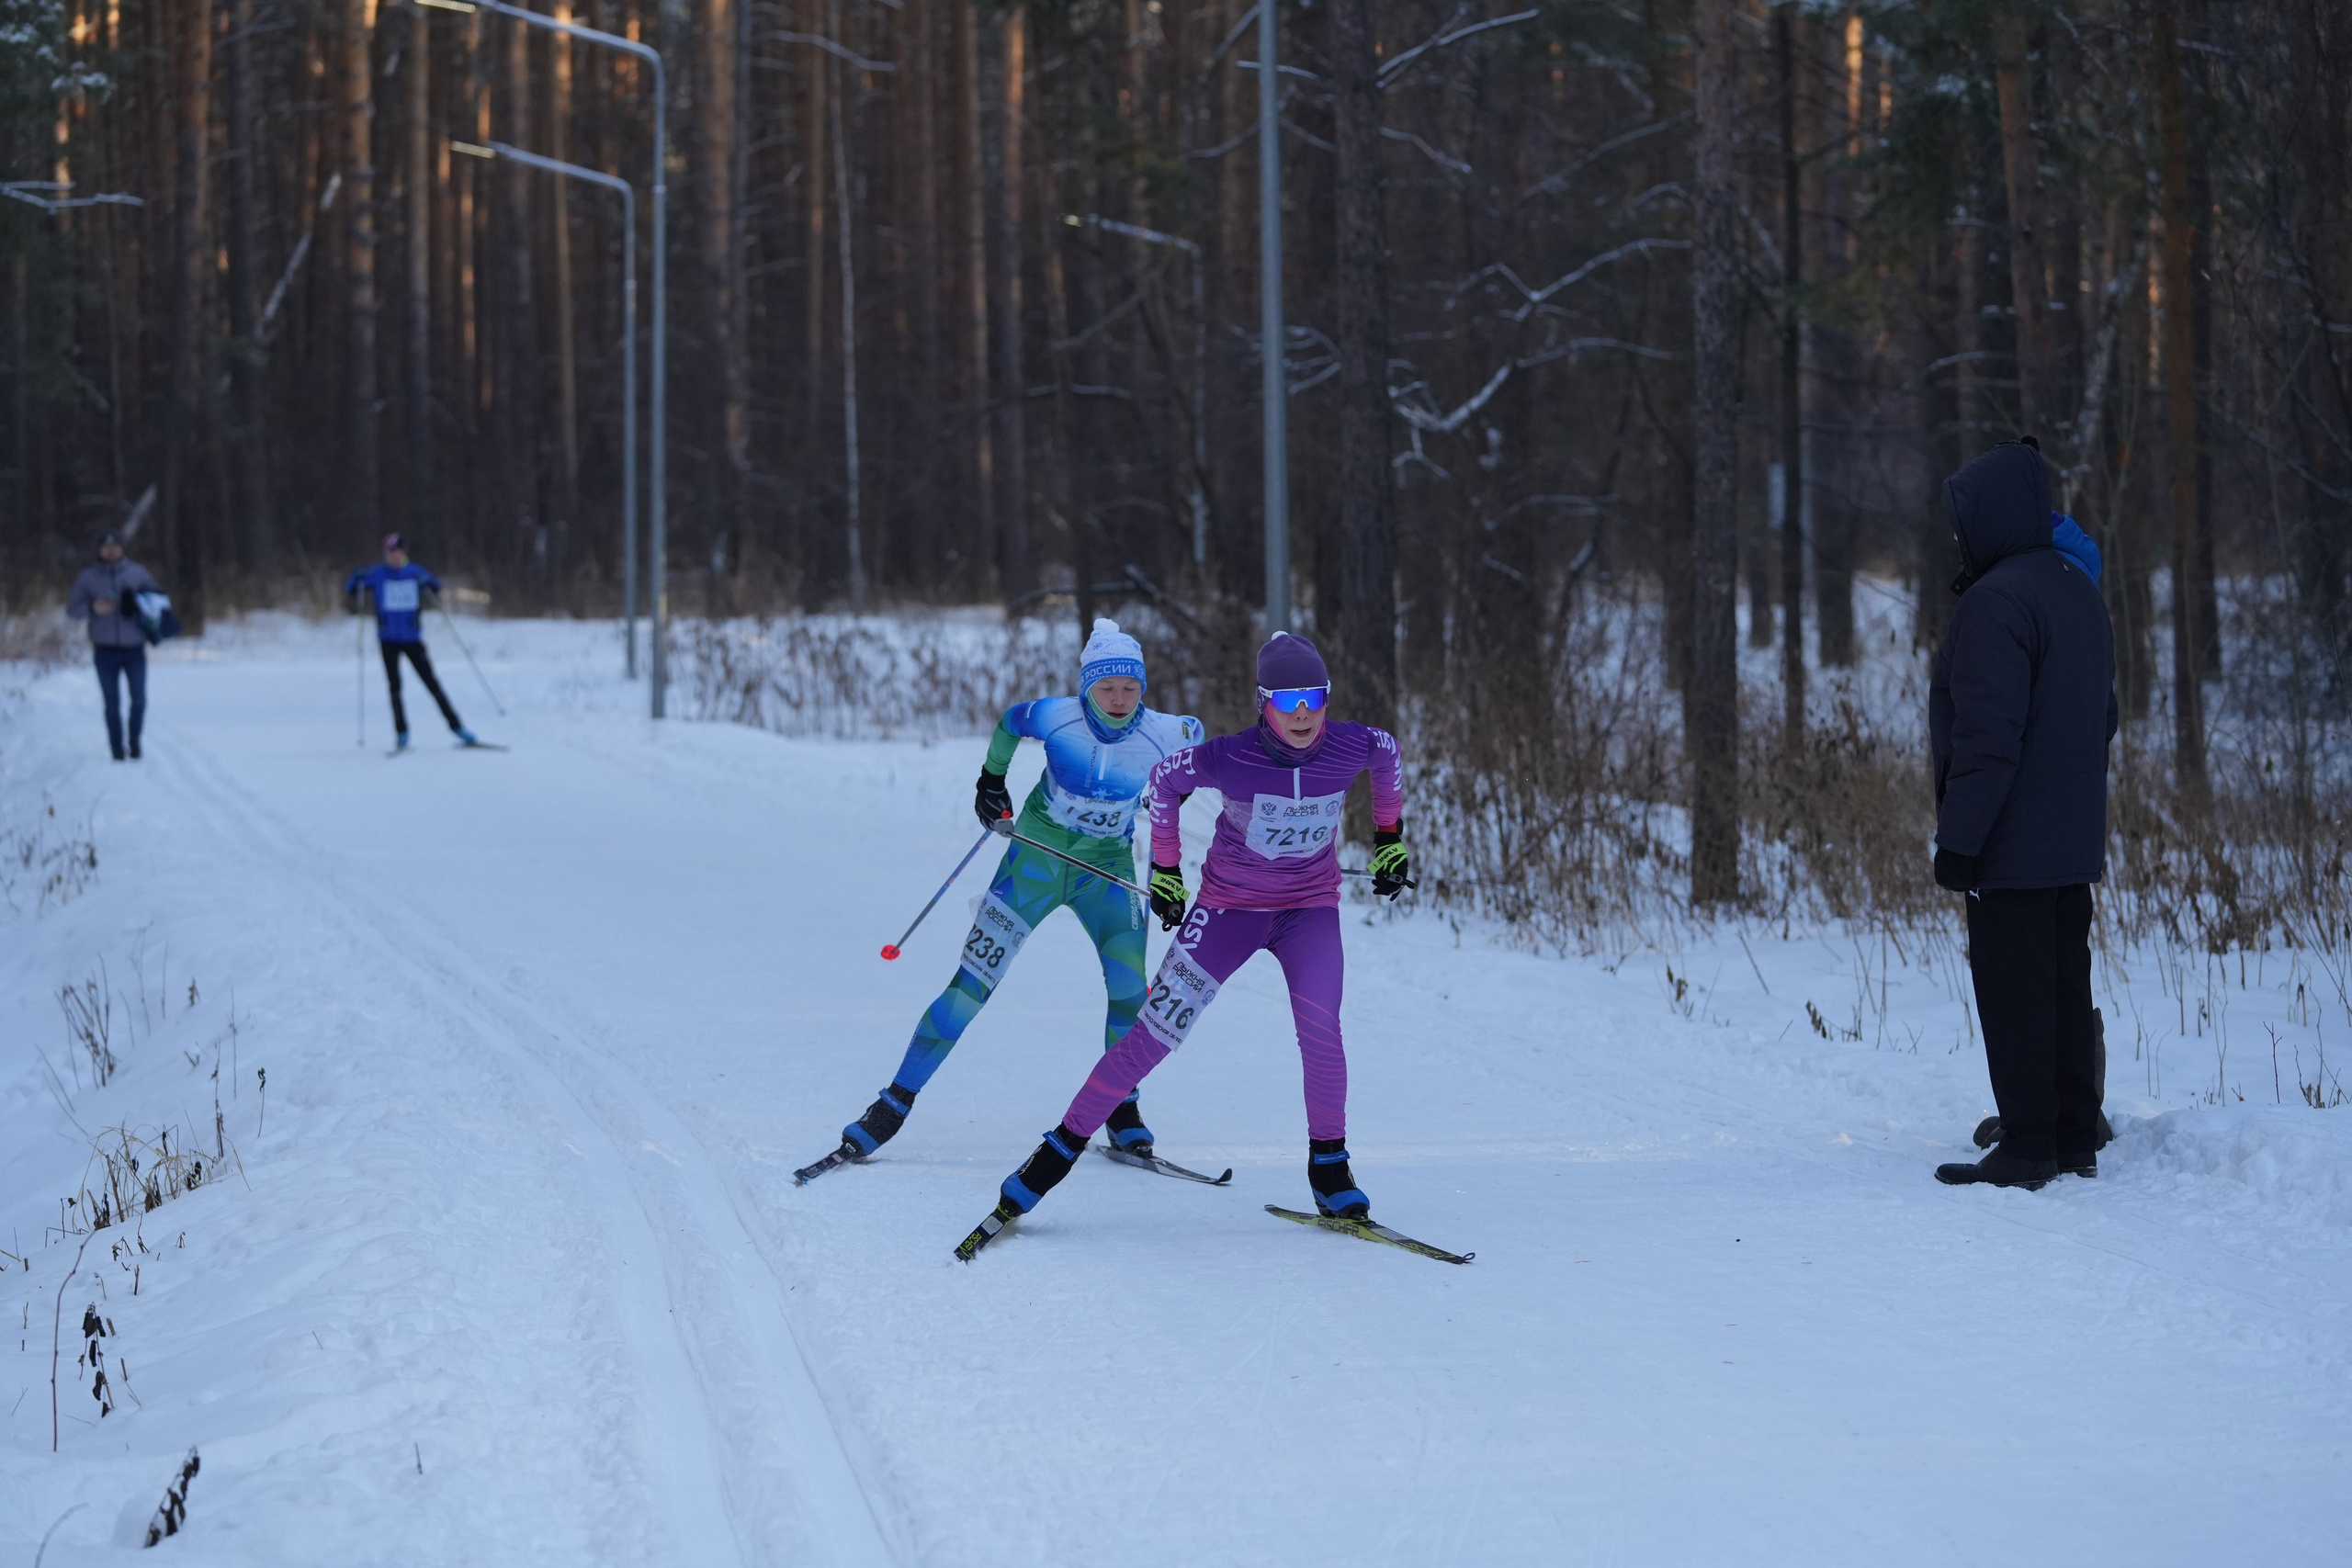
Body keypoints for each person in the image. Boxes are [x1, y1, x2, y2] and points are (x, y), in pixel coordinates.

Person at [954, 630, 1412, 1258]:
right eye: (1286, 699)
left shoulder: (1354, 744)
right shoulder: (1232, 755)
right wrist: (1165, 870)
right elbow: (1167, 781)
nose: (1301, 712)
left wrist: (1391, 836)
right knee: (1153, 1036)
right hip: (1228, 912)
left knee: (1322, 1029)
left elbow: (1387, 756)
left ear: (1326, 697)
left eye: (1312, 696)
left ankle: (1331, 1171)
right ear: (1262, 703)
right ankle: (1048, 1161)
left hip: (1309, 911)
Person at [807, 620, 1204, 1176]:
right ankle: (891, 1105)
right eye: (1106, 688)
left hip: (1107, 870)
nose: (1118, 701)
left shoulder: (1172, 733)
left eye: (1130, 688)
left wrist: (1170, 869)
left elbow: (1212, 774)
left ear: (1144, 688)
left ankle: (1122, 1106)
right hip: (1035, 863)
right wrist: (991, 781)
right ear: (1086, 687)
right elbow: (1009, 722)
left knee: (1130, 991)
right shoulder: (1054, 716)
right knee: (972, 984)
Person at [1928, 439, 2118, 1191]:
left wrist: (1960, 841)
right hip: (2073, 835)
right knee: (2065, 982)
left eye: (1960, 523)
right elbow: (2101, 716)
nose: (1955, 539)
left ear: (1991, 519)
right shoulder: (2077, 588)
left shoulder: (1995, 602)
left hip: (2011, 838)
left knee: (2013, 988)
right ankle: (2074, 1135)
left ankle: (2028, 1146)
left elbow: (1986, 737)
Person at [345, 534, 480, 750]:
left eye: (399, 552)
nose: (396, 556)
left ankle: (458, 727)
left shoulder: (414, 572)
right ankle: (402, 733)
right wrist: (355, 577)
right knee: (395, 688)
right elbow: (352, 589)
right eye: (392, 552)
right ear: (386, 554)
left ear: (404, 553)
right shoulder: (378, 574)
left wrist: (429, 583)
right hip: (388, 639)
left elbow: (436, 586)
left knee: (432, 683)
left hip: (412, 639)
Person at [65, 529, 164, 761]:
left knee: (138, 699)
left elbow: (159, 600)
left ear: (122, 548)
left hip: (134, 648)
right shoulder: (87, 577)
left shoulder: (137, 573)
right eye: (106, 547)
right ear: (100, 550)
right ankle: (116, 749)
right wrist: (93, 608)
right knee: (112, 703)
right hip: (104, 649)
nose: (111, 551)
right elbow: (72, 610)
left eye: (115, 546)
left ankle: (135, 742)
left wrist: (138, 603)